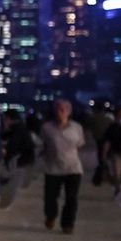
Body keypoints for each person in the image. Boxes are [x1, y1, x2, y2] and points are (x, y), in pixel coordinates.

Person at [38, 97, 86, 234]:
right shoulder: (47, 128)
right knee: (50, 197)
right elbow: (43, 144)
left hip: (73, 168)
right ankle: (51, 216)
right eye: (58, 109)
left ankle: (68, 224)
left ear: (69, 112)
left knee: (71, 198)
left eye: (63, 109)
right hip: (52, 167)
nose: (61, 112)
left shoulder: (76, 128)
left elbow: (80, 145)